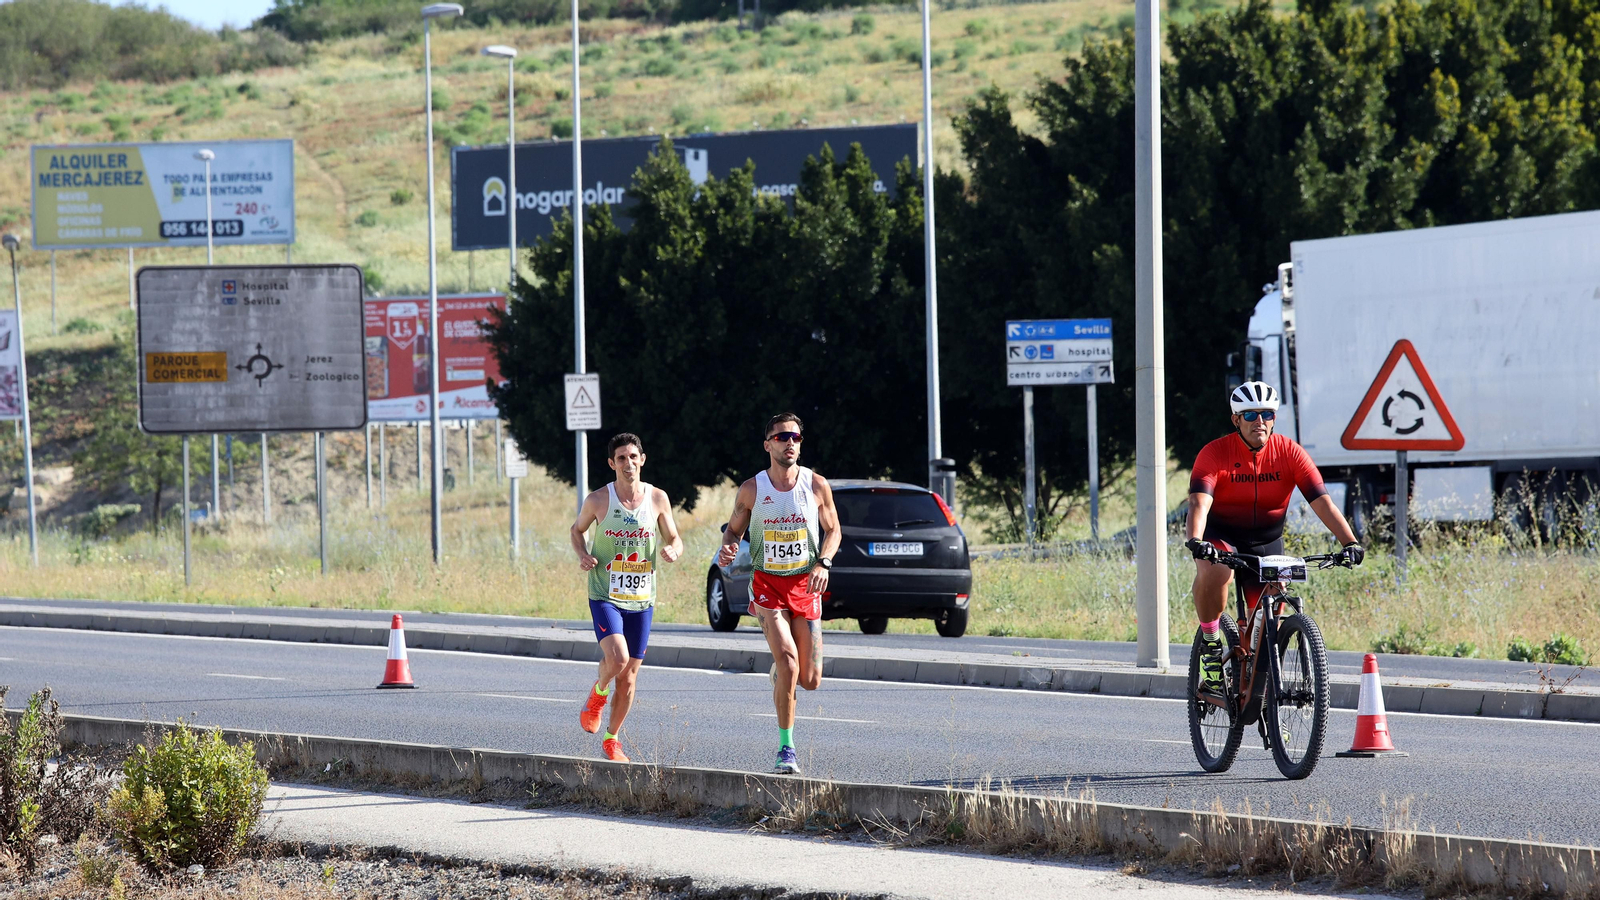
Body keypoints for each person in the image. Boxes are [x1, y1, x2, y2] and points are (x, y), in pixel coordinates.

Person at [1184, 382, 1364, 692]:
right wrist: (1196, 539)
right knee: (1216, 571)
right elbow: (1199, 502)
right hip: (1221, 537)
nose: (1260, 421)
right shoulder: (1214, 453)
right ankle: (1211, 647)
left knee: (1269, 618)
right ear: (1235, 420)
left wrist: (1350, 542)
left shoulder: (1289, 453)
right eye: (1250, 414)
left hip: (1267, 541)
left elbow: (1322, 502)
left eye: (1267, 414)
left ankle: (1263, 685)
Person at [717, 413, 840, 775]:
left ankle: (779, 676)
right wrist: (728, 547)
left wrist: (824, 563)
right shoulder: (752, 489)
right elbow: (733, 531)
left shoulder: (816, 485)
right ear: (768, 444)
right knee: (788, 663)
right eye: (782, 436)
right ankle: (786, 749)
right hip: (768, 587)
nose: (790, 443)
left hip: (806, 585)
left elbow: (833, 531)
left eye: (796, 437)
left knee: (810, 679)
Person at [570, 432, 684, 761]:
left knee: (631, 677)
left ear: (642, 460)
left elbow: (675, 538)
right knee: (617, 659)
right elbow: (576, 530)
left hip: (642, 599)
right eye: (621, 458)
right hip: (605, 593)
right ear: (611, 464)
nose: (628, 463)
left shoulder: (658, 499)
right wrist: (583, 554)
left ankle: (612, 738)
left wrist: (673, 551)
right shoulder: (598, 500)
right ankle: (597, 694)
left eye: (633, 457)